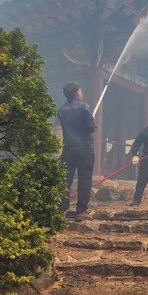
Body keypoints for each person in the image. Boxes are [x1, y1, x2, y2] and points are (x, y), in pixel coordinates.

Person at [58, 82, 95, 218]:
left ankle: (61, 209)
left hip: (68, 149)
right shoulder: (84, 106)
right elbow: (90, 128)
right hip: (85, 148)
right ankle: (81, 211)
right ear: (77, 93)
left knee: (64, 180)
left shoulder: (61, 109)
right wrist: (91, 120)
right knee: (84, 179)